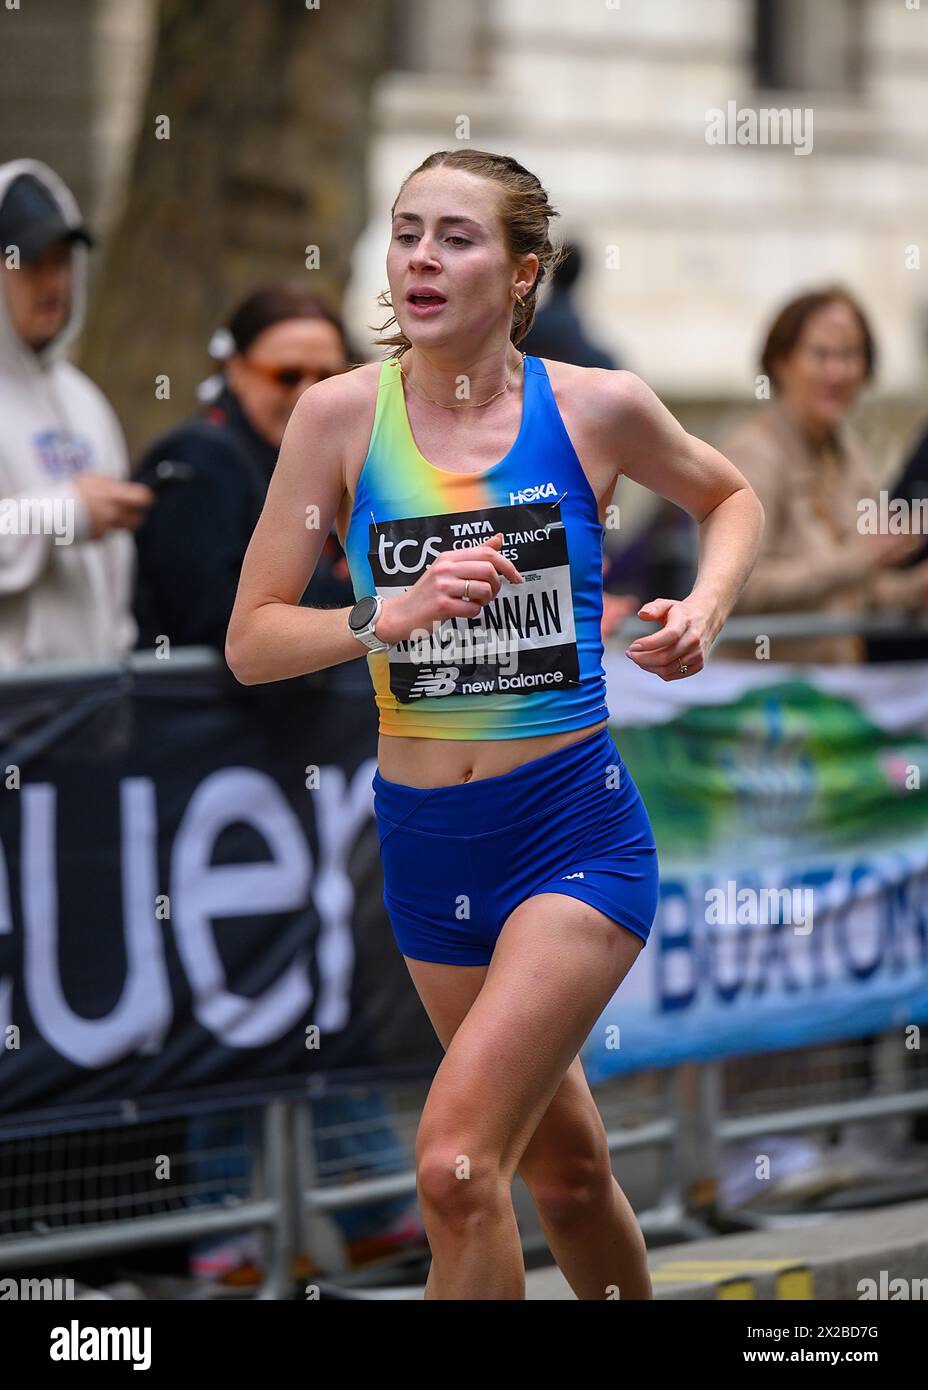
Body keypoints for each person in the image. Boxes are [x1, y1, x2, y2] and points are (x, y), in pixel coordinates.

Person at [225, 147, 763, 1300]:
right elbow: (252, 638)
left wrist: (705, 608)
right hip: (428, 845)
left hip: (571, 831)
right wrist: (384, 613)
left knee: (456, 1168)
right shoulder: (334, 418)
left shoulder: (594, 407)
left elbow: (730, 497)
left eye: (456, 237)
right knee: (563, 1175)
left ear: (523, 272)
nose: (422, 256)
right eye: (407, 230)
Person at [133, 284, 354, 652]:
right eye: (286, 376)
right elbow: (214, 623)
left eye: (327, 378)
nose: (308, 394)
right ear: (235, 370)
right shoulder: (201, 458)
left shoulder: (321, 465)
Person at [719, 287, 928, 663]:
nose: (838, 372)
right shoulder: (753, 452)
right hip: (761, 702)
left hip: (840, 693)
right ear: (781, 363)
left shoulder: (851, 454)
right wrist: (859, 559)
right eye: (821, 355)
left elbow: (861, 593)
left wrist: (915, 588)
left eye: (850, 356)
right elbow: (738, 590)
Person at [0, 159, 152, 667]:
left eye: (62, 261)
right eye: (29, 263)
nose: (53, 282)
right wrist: (66, 510)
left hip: (90, 700)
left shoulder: (83, 397)